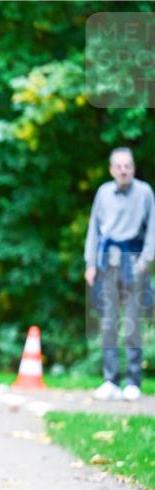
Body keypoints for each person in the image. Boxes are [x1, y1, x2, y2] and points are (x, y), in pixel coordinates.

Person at [84, 147, 154, 402]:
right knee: (108, 322)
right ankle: (111, 380)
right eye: (119, 166)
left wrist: (145, 261)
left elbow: (153, 230)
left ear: (133, 168)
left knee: (133, 323)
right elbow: (94, 229)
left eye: (129, 166)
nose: (124, 170)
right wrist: (91, 263)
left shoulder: (145, 192)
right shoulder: (103, 193)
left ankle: (133, 381)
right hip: (107, 263)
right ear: (112, 169)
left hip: (135, 262)